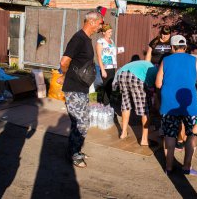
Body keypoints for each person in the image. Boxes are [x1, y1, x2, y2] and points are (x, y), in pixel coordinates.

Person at [57, 11, 104, 168]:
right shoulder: (78, 38)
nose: (101, 26)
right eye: (100, 23)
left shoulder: (86, 39)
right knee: (81, 123)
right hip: (74, 88)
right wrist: (64, 75)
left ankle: (74, 150)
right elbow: (64, 62)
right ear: (91, 21)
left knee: (81, 122)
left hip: (81, 88)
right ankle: (73, 154)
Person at [155, 35, 197, 175]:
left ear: (172, 47)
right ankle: (186, 167)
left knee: (170, 135)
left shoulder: (165, 60)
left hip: (169, 104)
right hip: (189, 105)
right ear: (185, 47)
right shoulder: (194, 60)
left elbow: (158, 84)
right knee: (192, 134)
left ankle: (169, 168)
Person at [112, 60, 158, 146]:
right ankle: (144, 140)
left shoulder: (146, 64)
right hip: (135, 77)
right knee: (145, 108)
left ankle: (123, 132)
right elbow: (154, 89)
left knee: (126, 103)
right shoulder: (155, 71)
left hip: (121, 74)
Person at [96, 23, 117, 106]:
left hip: (112, 67)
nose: (110, 34)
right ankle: (105, 105)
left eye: (111, 32)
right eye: (109, 32)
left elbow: (111, 52)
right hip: (105, 67)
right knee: (107, 86)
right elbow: (99, 56)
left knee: (110, 86)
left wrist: (118, 50)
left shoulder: (111, 41)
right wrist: (103, 70)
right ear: (103, 32)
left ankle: (105, 104)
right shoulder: (100, 41)